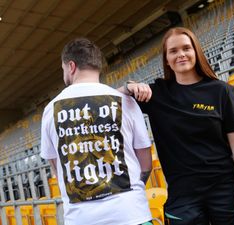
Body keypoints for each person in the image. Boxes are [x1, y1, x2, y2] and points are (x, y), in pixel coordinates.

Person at [120, 27, 234, 225]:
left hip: (225, 189)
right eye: (173, 51)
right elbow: (107, 98)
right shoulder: (156, 94)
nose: (181, 54)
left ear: (196, 52)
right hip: (182, 196)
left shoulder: (221, 91)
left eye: (186, 48)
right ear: (166, 59)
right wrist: (128, 86)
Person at [40, 38, 153, 225]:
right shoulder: (125, 101)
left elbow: (56, 166)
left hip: (81, 218)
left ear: (71, 66)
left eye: (63, 69)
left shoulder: (50, 109)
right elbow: (145, 162)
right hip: (131, 213)